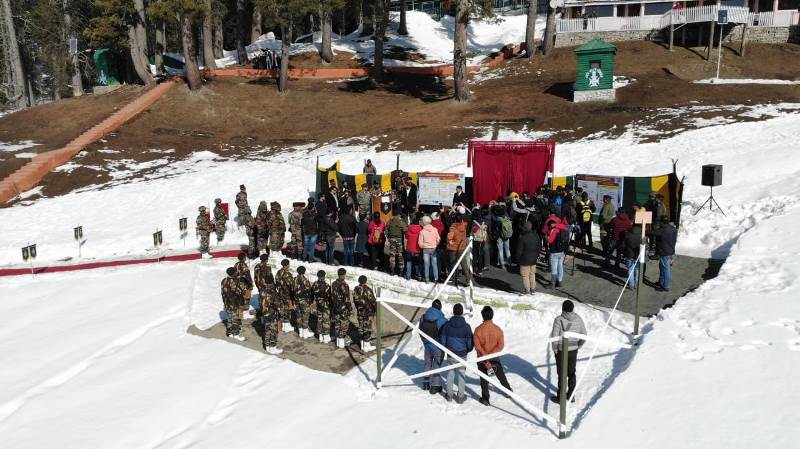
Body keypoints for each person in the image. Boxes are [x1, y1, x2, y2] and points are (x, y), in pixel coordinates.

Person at [474, 306, 512, 406]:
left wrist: (485, 356)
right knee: (501, 375)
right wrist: (492, 354)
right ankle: (508, 391)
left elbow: (478, 347)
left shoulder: (478, 330)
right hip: (495, 359)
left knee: (484, 379)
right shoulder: (498, 330)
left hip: (482, 359)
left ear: (482, 316)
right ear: (492, 315)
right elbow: (501, 345)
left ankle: (485, 398)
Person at [550, 300, 586, 403]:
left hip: (562, 350)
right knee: (571, 372)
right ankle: (571, 395)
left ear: (563, 308)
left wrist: (555, 349)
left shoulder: (559, 319)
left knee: (562, 374)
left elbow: (555, 337)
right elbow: (584, 334)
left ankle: (560, 398)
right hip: (573, 350)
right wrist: (578, 346)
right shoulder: (578, 318)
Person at [439, 303, 473, 404]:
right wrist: (468, 349)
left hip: (450, 354)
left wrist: (446, 349)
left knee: (450, 373)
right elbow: (470, 342)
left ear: (453, 312)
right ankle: (460, 397)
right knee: (462, 374)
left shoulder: (446, 325)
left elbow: (443, 340)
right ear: (462, 312)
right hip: (462, 354)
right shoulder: (466, 327)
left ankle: (449, 395)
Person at [419, 299, 447, 393]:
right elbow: (444, 334)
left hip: (427, 346)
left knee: (427, 363)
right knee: (436, 365)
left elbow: (420, 331)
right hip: (437, 346)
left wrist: (425, 341)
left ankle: (426, 383)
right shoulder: (442, 320)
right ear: (440, 308)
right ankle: (435, 386)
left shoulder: (423, 317)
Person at [255, 256, 282, 354]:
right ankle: (273, 346)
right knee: (273, 330)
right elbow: (277, 305)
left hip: (265, 313)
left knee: (267, 328)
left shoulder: (262, 292)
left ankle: (267, 345)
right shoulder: (273, 293)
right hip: (272, 314)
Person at [515, 221, 541, 294]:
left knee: (525, 275)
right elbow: (539, 248)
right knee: (532, 274)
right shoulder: (536, 236)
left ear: (524, 228)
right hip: (533, 260)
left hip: (524, 260)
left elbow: (519, 251)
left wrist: (517, 258)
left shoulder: (522, 238)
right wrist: (536, 256)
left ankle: (527, 289)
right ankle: (533, 289)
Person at [652, 216, 677, 291]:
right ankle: (661, 282)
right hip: (670, 250)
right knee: (662, 267)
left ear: (661, 222)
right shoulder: (673, 229)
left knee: (666, 269)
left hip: (664, 251)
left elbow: (652, 233)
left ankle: (666, 285)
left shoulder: (662, 230)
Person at [353, 275, 377, 352]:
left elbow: (355, 301)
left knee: (361, 327)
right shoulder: (368, 290)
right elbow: (373, 301)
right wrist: (375, 310)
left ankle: (362, 344)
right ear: (365, 281)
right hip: (368, 312)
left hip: (360, 311)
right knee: (367, 328)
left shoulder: (356, 289)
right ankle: (366, 345)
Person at [446, 214, 471, 287]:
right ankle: (468, 279)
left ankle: (454, 278)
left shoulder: (453, 228)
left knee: (453, 263)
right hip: (462, 247)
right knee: (464, 264)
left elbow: (449, 237)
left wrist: (449, 241)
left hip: (453, 248)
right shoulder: (464, 226)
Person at [221, 267, 246, 341]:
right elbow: (241, 291)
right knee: (235, 318)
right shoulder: (235, 281)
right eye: (235, 272)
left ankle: (229, 332)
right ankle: (236, 334)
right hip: (234, 302)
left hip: (226, 302)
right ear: (233, 273)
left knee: (229, 317)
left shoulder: (224, 280)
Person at [331, 268, 352, 349]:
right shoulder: (344, 285)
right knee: (344, 324)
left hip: (336, 307)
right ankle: (342, 342)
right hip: (343, 308)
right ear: (344, 275)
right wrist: (350, 308)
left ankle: (338, 341)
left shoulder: (334, 283)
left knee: (337, 323)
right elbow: (346, 299)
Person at [547, 217, 570, 289]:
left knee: (554, 268)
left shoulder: (554, 230)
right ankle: (559, 281)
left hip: (554, 252)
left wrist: (547, 237)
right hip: (562, 252)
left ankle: (552, 284)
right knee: (560, 266)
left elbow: (550, 241)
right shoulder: (565, 228)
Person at [418, 215, 441, 283]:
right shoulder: (435, 229)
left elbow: (420, 243)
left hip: (425, 250)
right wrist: (435, 245)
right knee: (434, 264)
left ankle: (427, 279)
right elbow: (438, 239)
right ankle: (436, 279)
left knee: (426, 264)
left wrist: (423, 246)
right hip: (433, 248)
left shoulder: (422, 231)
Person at [293, 266, 313, 339]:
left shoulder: (294, 279)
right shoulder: (305, 280)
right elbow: (309, 291)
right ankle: (305, 332)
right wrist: (310, 301)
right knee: (305, 316)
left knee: (298, 315)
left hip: (296, 300)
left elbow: (293, 289)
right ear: (304, 272)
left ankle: (300, 331)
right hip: (304, 301)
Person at [276, 259, 295, 332]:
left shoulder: (278, 272)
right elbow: (291, 284)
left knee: (281, 308)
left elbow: (277, 282)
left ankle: (280, 325)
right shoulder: (287, 273)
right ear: (287, 265)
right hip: (286, 294)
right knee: (287, 309)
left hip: (280, 292)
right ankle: (286, 325)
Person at [312, 270, 331, 343]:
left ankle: (320, 336)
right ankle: (326, 336)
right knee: (326, 320)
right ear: (324, 276)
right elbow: (329, 296)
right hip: (325, 305)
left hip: (318, 304)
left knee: (319, 319)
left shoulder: (314, 284)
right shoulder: (326, 285)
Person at [385, 210, 407, 275]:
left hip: (392, 239)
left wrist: (389, 238)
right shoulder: (400, 221)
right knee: (400, 255)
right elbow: (405, 230)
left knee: (392, 255)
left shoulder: (389, 221)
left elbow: (386, 231)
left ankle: (392, 270)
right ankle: (401, 270)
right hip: (399, 239)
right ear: (398, 214)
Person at [233, 252, 253, 319]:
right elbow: (247, 276)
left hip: (237, 284)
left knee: (240, 299)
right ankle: (245, 313)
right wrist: (250, 284)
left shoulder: (236, 265)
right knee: (246, 298)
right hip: (245, 284)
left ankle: (239, 314)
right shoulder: (244, 265)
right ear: (244, 258)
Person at [622, 224, 643, 289]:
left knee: (630, 269)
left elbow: (623, 245)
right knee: (637, 269)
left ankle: (631, 284)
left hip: (629, 254)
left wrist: (623, 253)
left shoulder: (628, 234)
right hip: (638, 254)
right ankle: (636, 283)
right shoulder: (642, 236)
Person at [404, 215, 422, 280]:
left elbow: (406, 236)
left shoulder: (409, 228)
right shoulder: (421, 229)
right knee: (418, 263)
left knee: (409, 262)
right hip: (418, 249)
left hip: (410, 249)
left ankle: (408, 275)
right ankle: (418, 275)